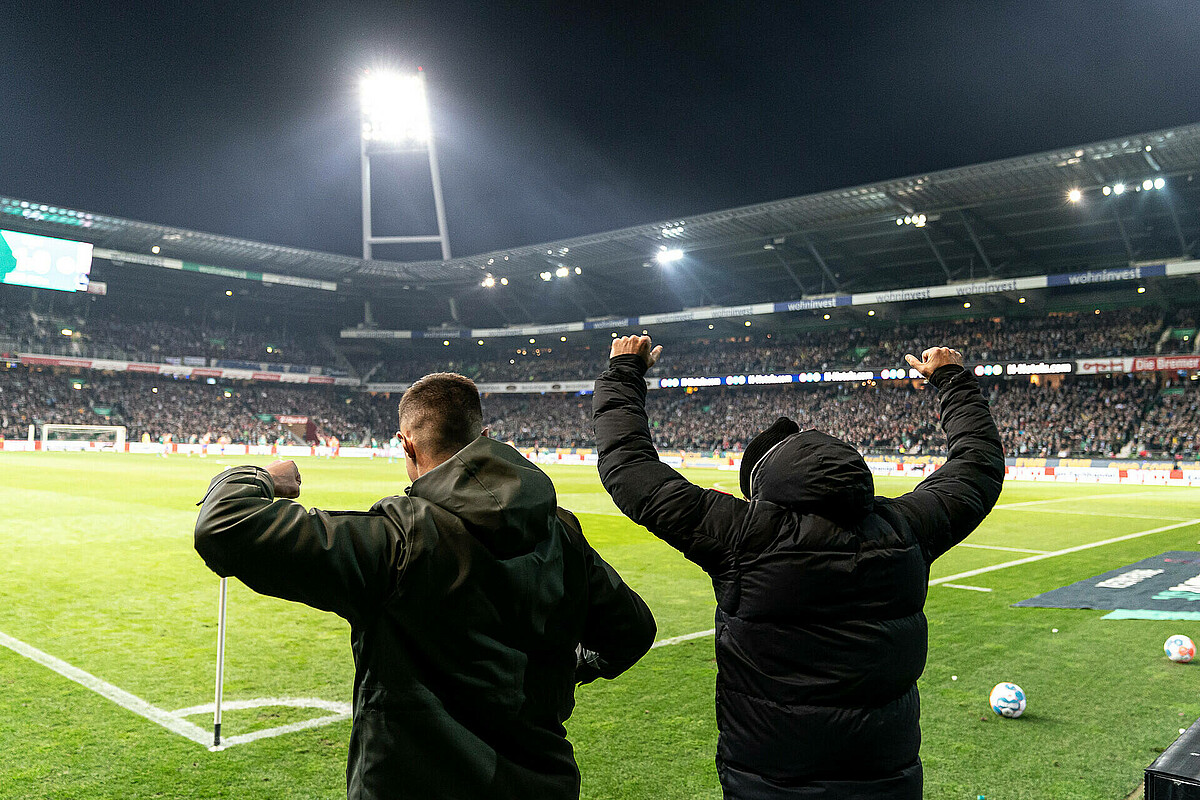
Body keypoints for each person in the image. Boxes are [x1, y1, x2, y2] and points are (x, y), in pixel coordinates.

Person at [195, 372, 656, 799]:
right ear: (485, 437)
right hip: (541, 784)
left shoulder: (399, 540)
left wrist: (259, 477)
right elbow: (633, 631)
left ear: (406, 444)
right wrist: (574, 664)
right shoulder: (561, 533)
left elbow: (223, 526)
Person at [592, 336, 1004, 799]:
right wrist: (953, 381)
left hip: (768, 783)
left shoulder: (744, 537)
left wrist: (624, 373)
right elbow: (977, 465)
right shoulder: (904, 530)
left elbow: (628, 467)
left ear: (766, 484)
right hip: (886, 781)